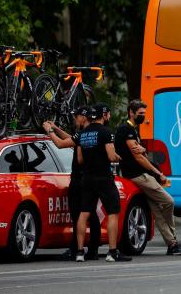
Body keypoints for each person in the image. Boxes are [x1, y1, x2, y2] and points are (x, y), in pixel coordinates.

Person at [46, 103, 131, 262]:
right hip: (103, 177)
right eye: (108, 114)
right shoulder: (106, 132)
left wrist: (54, 129)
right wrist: (116, 157)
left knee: (83, 214)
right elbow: (111, 156)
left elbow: (80, 159)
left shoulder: (83, 134)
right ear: (104, 115)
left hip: (86, 179)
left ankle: (79, 252)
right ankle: (112, 252)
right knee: (113, 212)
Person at [115, 99, 181, 256]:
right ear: (131, 112)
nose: (143, 116)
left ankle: (172, 244)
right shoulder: (126, 130)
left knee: (158, 210)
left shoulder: (133, 130)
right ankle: (173, 238)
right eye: (140, 113)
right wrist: (158, 173)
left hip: (140, 175)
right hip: (138, 176)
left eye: (144, 113)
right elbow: (139, 158)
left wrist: (143, 150)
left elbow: (141, 154)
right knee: (168, 201)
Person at [44, 106, 101, 261]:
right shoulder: (92, 133)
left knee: (78, 216)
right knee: (91, 214)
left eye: (76, 117)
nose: (75, 120)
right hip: (92, 178)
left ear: (83, 117)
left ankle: (75, 249)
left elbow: (61, 144)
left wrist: (50, 131)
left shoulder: (83, 134)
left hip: (79, 180)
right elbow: (72, 140)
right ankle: (93, 250)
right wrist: (57, 128)